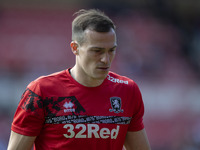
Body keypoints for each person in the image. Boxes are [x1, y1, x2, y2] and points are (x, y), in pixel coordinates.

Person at [7, 9, 151, 150]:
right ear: (75, 48)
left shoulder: (127, 91)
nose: (105, 59)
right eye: (97, 51)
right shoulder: (40, 91)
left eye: (111, 50)